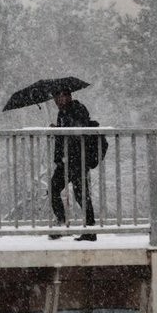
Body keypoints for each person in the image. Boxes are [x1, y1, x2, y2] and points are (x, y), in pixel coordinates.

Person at [48, 89, 96, 241]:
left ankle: (90, 231)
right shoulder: (61, 113)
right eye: (55, 98)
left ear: (68, 96)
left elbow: (79, 130)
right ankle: (61, 220)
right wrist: (58, 130)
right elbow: (64, 135)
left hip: (78, 159)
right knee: (53, 188)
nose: (57, 101)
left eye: (59, 97)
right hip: (65, 160)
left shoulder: (78, 109)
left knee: (81, 195)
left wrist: (61, 130)